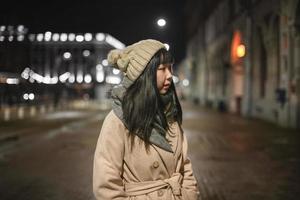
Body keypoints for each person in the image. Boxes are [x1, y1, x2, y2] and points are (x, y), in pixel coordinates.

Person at [93, 39, 200, 200]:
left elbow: (185, 166)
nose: (170, 75)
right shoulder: (117, 120)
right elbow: (106, 184)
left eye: (170, 67)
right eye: (162, 69)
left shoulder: (170, 112)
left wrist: (189, 195)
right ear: (144, 75)